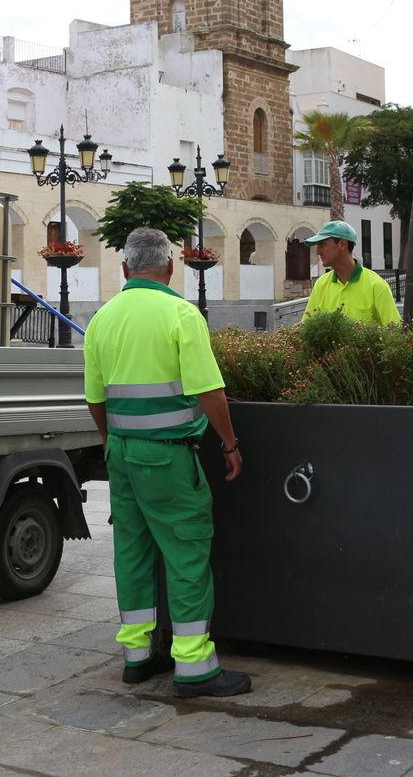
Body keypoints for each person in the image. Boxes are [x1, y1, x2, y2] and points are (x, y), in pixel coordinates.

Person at [83, 227, 251, 699]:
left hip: (122, 454)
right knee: (186, 554)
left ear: (125, 268)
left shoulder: (102, 318)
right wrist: (230, 444)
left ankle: (138, 656)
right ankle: (194, 665)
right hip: (168, 457)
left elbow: (94, 398)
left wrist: (111, 442)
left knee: (132, 553)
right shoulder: (181, 314)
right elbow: (209, 390)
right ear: (171, 268)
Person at [303, 220, 401, 325]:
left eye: (323, 244)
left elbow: (395, 330)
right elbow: (305, 328)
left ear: (342, 244)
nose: (318, 251)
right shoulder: (320, 285)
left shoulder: (377, 286)